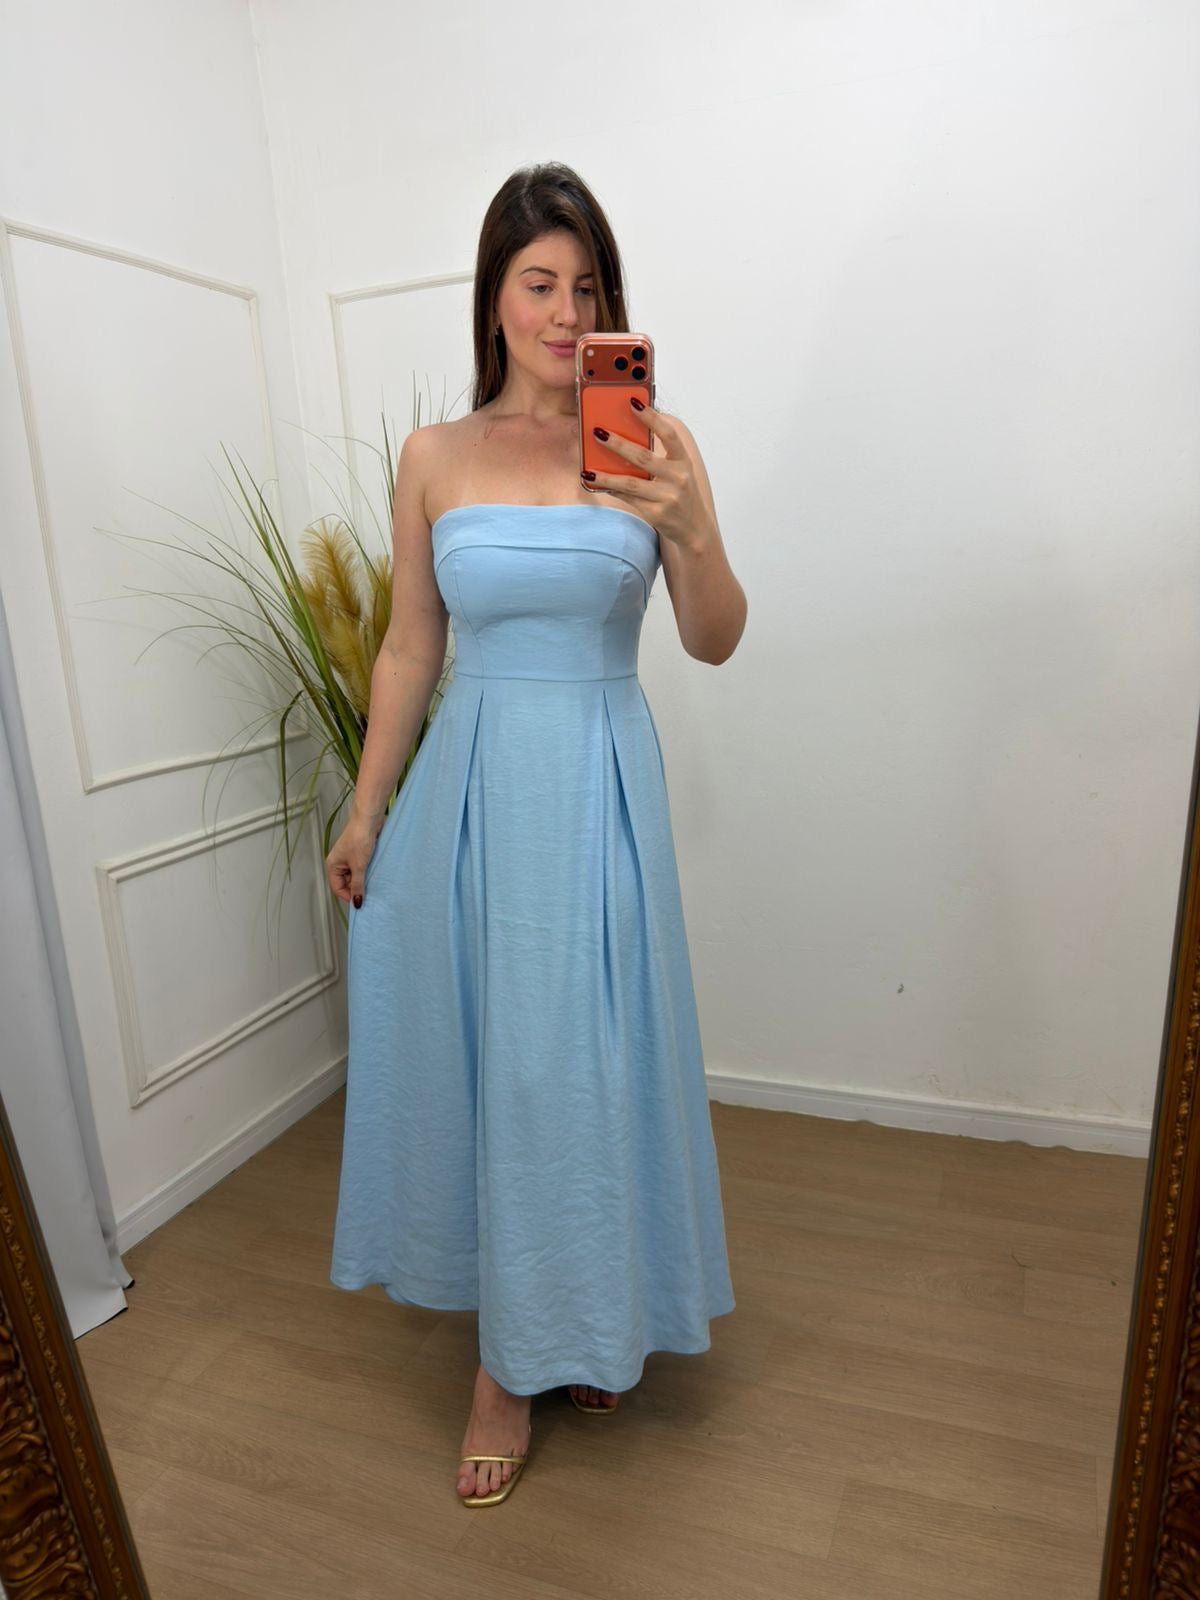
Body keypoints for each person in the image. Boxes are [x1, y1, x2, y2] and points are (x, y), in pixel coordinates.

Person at [324, 161, 748, 1507]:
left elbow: (715, 638)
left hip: (599, 788)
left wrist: (691, 530)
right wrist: (367, 804)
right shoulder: (434, 458)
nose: (568, 315)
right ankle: (504, 1366)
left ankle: (587, 1316)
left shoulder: (656, 444)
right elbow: (410, 647)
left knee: (590, 1064)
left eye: (589, 287)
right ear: (496, 299)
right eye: (540, 284)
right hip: (473, 794)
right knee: (498, 1069)